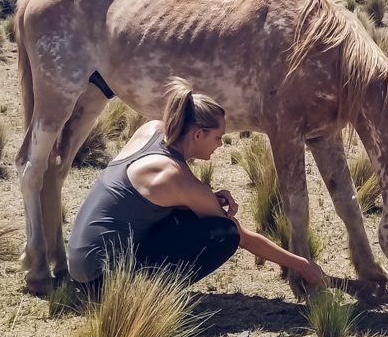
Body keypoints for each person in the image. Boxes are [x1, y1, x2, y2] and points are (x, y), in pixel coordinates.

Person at [67, 77, 326, 296]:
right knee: (225, 234)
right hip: (101, 282)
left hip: (80, 265)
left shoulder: (152, 131)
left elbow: (144, 198)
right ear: (198, 134)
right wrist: (302, 265)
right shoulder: (174, 176)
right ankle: (145, 297)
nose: (220, 145)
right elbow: (243, 237)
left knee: (188, 215)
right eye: (218, 137)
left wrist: (206, 198)